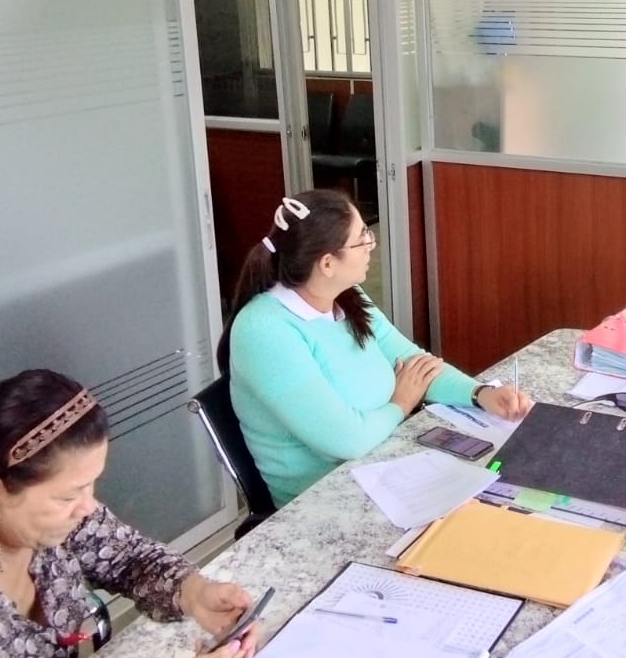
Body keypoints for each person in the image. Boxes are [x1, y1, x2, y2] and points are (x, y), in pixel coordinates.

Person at [0, 369, 259, 658]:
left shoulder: (45, 523)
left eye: (91, 485)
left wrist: (195, 594)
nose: (87, 507)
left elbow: (129, 558)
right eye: (68, 495)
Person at [218, 189, 532, 508]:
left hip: (386, 465)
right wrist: (401, 403)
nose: (372, 244)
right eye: (362, 239)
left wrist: (480, 394)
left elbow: (414, 363)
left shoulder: (346, 295)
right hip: (326, 500)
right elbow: (348, 440)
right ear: (327, 263)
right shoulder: (265, 331)